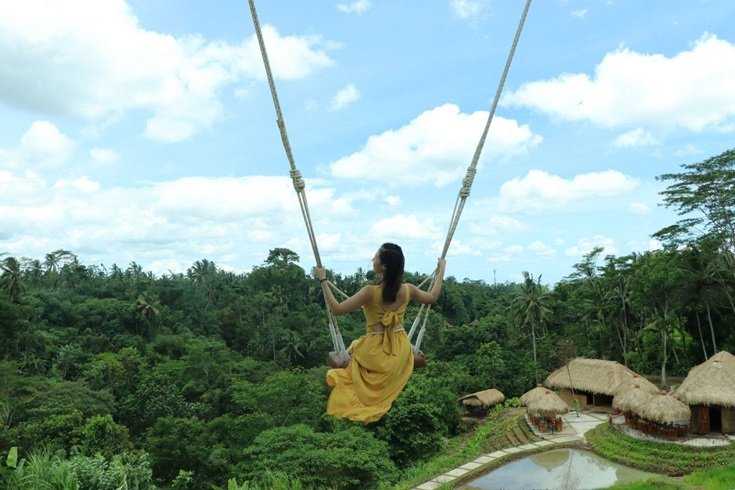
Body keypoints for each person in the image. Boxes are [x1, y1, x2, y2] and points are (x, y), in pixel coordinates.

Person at [316, 243, 446, 423]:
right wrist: (441, 271)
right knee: (402, 353)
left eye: (376, 257)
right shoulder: (408, 289)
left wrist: (323, 280)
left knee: (342, 359)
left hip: (375, 353)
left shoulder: (370, 292)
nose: (372, 259)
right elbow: (432, 297)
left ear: (384, 266)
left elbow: (337, 309)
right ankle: (408, 358)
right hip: (400, 350)